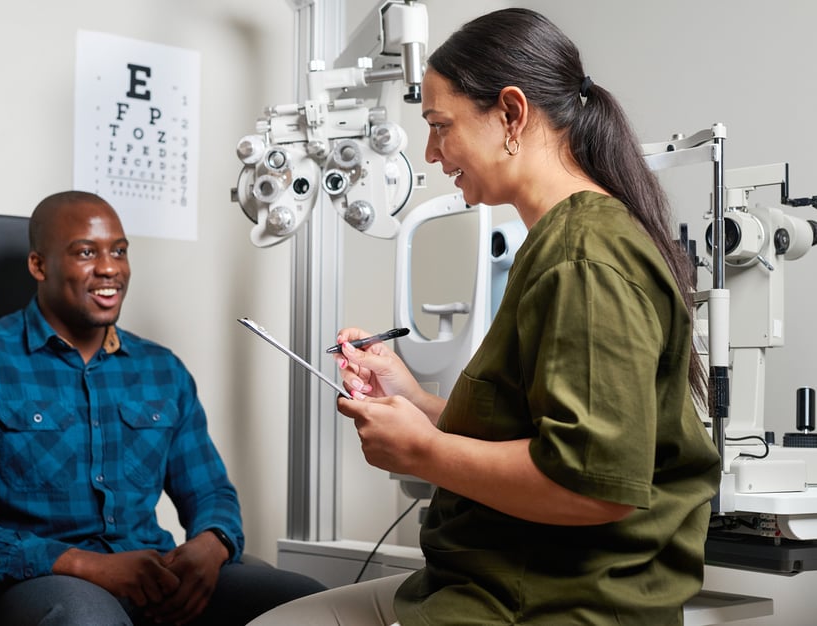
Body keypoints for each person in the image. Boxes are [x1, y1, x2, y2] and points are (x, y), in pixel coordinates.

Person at [249, 7, 720, 626]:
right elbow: (535, 434)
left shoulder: (584, 256)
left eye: (441, 125)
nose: (430, 151)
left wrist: (421, 454)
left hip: (553, 604)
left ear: (511, 114)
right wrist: (415, 402)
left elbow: (593, 486)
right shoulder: (562, 243)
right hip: (496, 582)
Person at [0, 191, 325, 626]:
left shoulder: (162, 370)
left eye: (119, 251)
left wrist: (210, 546)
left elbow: (211, 492)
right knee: (85, 616)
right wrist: (83, 564)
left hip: (153, 579)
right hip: (40, 584)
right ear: (38, 265)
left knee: (308, 602)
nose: (109, 268)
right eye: (86, 252)